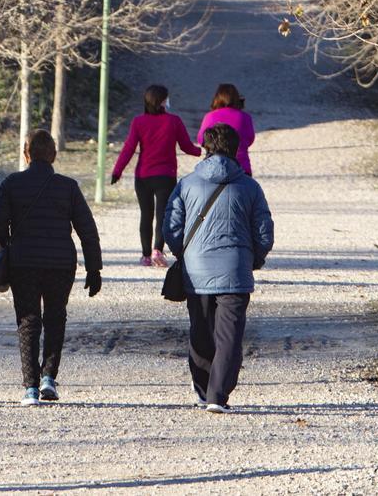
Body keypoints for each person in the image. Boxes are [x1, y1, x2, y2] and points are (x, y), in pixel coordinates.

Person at [164, 123, 273, 413]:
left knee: (200, 331)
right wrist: (254, 259)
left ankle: (202, 389)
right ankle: (218, 395)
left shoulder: (186, 184)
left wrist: (183, 254)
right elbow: (264, 230)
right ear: (236, 149)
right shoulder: (250, 186)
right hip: (235, 270)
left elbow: (171, 226)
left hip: (196, 270)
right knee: (229, 338)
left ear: (205, 148)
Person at [0, 130, 103, 406]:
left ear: (26, 154)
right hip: (60, 264)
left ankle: (30, 387)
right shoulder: (68, 187)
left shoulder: (12, 183)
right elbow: (87, 230)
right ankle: (48, 378)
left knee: (28, 321)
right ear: (53, 155)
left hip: (23, 262)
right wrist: (93, 269)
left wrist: (8, 242)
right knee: (55, 318)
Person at [110, 84, 201, 268]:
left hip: (143, 176)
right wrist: (202, 151)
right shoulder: (173, 121)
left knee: (146, 214)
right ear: (162, 101)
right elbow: (186, 146)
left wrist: (117, 171)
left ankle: (145, 255)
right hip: (165, 176)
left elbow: (129, 148)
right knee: (162, 215)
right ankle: (157, 251)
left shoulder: (138, 122)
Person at [196, 83, 257, 176]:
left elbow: (201, 140)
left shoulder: (210, 116)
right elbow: (250, 139)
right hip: (241, 166)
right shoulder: (245, 117)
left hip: (214, 166)